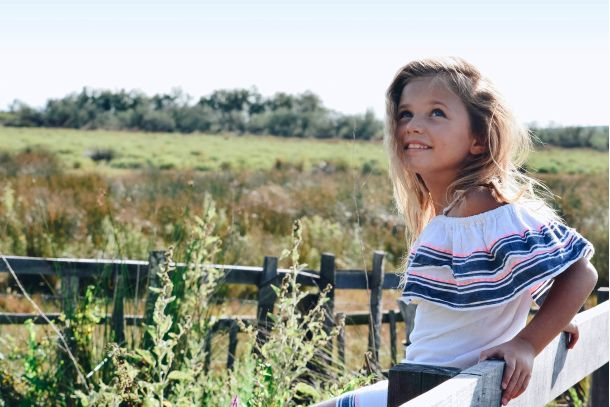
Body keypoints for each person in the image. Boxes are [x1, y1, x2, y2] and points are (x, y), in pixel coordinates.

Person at [314, 57, 598, 407]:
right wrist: (550, 319)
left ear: (478, 139)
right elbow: (506, 277)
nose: (413, 126)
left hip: (448, 391)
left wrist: (529, 341)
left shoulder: (480, 205)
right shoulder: (457, 212)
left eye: (436, 113)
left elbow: (580, 272)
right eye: (406, 114)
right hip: (432, 385)